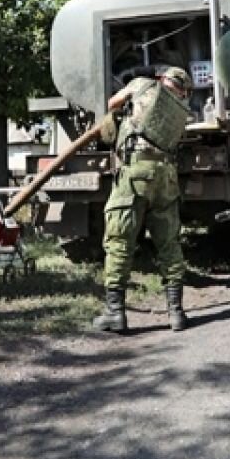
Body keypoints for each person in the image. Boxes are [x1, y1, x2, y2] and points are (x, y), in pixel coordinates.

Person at [92, 66, 193, 334]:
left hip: (134, 173)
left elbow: (111, 104)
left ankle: (115, 312)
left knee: (120, 240)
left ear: (161, 79)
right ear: (183, 90)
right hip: (166, 177)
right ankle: (176, 313)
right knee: (169, 243)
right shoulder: (182, 110)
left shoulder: (142, 85)